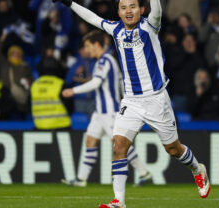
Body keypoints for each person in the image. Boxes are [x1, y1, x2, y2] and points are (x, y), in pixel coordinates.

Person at [52, 0, 210, 208]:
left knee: (173, 149)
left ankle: (198, 169)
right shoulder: (115, 30)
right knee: (118, 146)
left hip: (157, 100)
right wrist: (69, 3)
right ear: (118, 12)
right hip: (132, 101)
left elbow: (157, 13)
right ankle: (119, 201)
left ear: (141, 10)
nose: (128, 10)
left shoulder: (149, 26)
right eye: (124, 7)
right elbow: (93, 18)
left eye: (133, 6)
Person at [61, 30, 152, 187]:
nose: (86, 50)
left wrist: (73, 90)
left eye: (88, 46)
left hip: (110, 112)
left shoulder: (105, 61)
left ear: (97, 45)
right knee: (90, 141)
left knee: (119, 145)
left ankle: (144, 173)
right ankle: (81, 179)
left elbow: (96, 83)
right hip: (100, 112)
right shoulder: (104, 61)